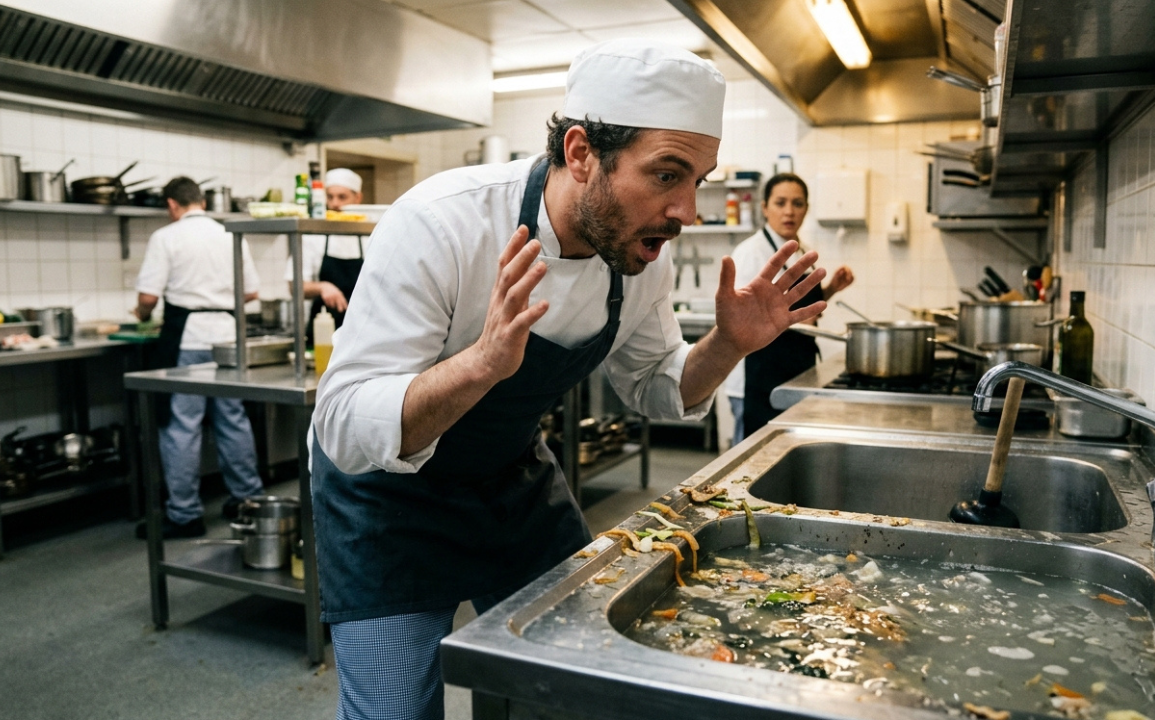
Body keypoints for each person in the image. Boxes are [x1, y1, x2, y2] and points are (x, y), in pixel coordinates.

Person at [311, 39, 827, 720]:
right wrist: (480, 365)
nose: (687, 212)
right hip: (387, 503)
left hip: (510, 484)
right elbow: (343, 422)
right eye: (668, 175)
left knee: (580, 684)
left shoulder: (640, 250)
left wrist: (728, 344)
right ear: (581, 152)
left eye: (697, 180)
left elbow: (657, 387)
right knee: (395, 712)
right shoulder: (441, 223)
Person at [133, 177, 265, 538]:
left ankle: (185, 514)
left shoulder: (166, 237)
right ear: (202, 202)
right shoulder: (229, 234)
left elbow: (148, 298)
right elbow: (251, 291)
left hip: (187, 339)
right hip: (226, 339)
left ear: (172, 205)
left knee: (181, 426)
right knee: (232, 419)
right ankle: (249, 501)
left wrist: (140, 316)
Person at [724, 173, 854, 441]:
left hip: (790, 374)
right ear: (764, 208)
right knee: (747, 457)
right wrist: (795, 325)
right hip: (755, 378)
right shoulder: (752, 253)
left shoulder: (800, 250)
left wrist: (830, 290)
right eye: (780, 203)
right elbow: (741, 320)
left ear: (806, 209)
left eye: (797, 203)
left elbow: (800, 311)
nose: (789, 212)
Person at [286, 167, 368, 339]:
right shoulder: (313, 236)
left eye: (342, 197)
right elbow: (294, 286)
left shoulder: (370, 236)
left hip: (363, 332)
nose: (335, 204)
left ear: (358, 197)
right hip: (323, 332)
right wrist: (322, 286)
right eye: (330, 197)